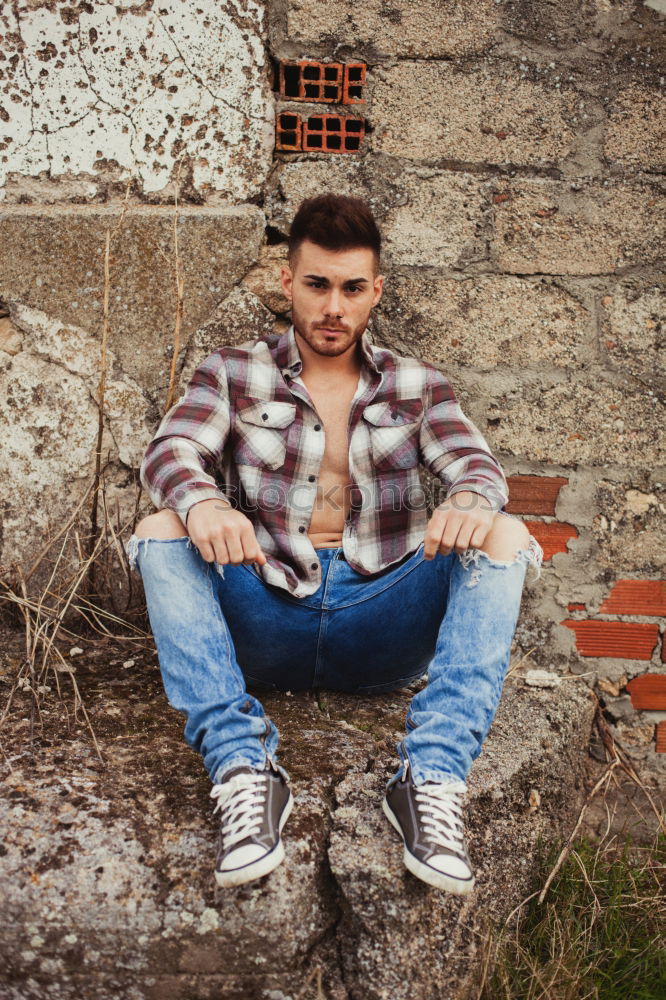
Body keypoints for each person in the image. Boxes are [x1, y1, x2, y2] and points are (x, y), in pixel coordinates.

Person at [126, 194, 542, 895]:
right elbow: (170, 452)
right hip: (265, 609)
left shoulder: (417, 386)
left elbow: (477, 467)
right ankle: (243, 771)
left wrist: (470, 500)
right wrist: (203, 505)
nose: (333, 308)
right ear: (287, 283)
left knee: (504, 529)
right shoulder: (232, 373)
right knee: (160, 527)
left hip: (380, 617)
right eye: (317, 285)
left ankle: (430, 778)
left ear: (375, 291)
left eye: (352, 289)